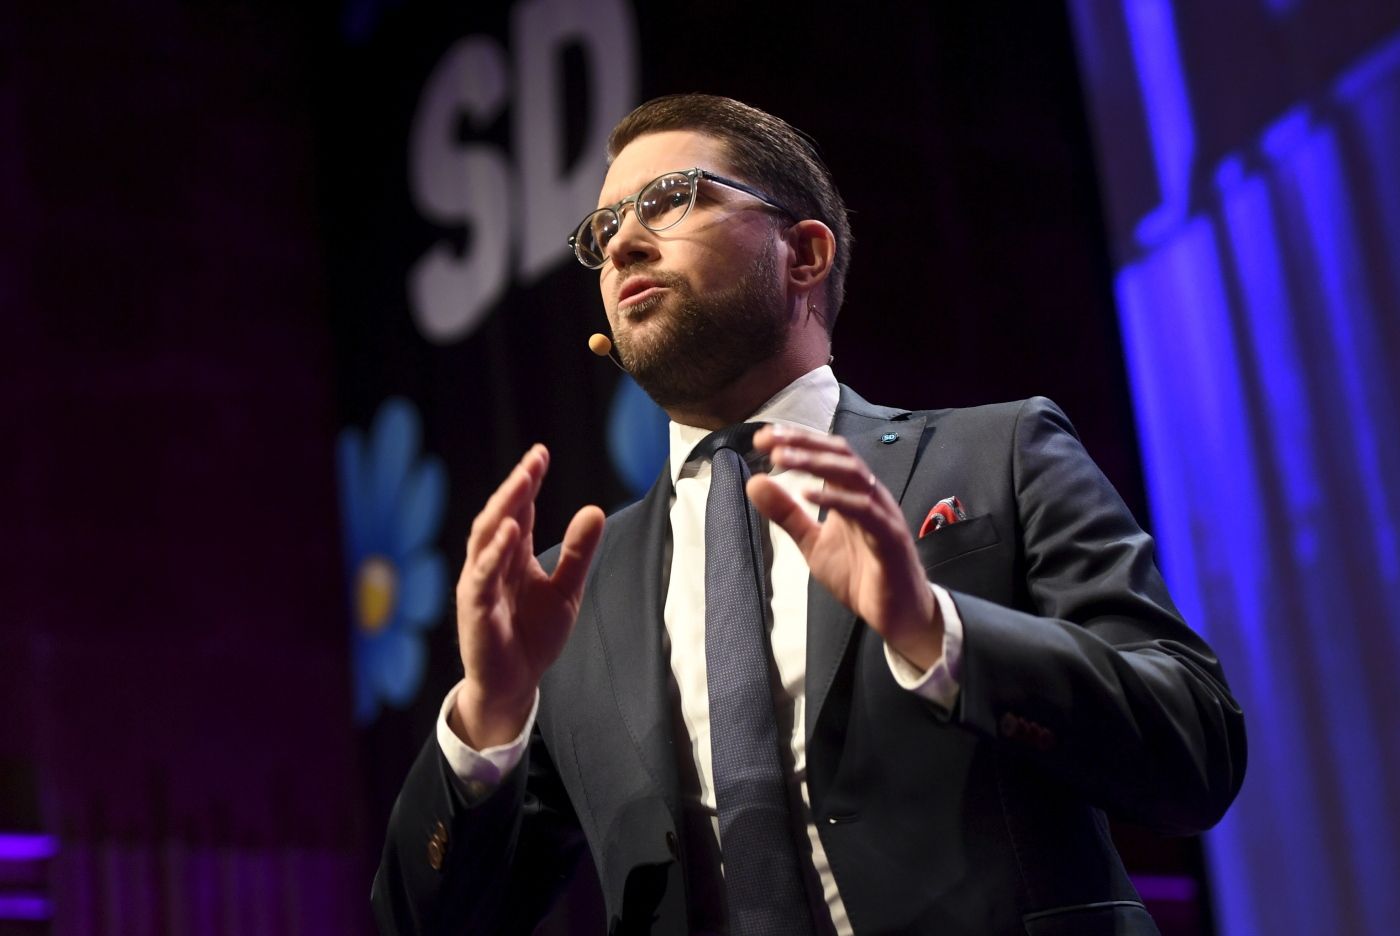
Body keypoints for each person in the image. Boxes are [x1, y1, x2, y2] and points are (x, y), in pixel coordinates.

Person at [371, 94, 1246, 936]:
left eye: (669, 199)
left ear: (805, 253)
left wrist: (933, 631)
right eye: (602, 232)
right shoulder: (572, 593)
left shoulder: (999, 454)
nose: (625, 243)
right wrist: (489, 712)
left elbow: (1194, 748)